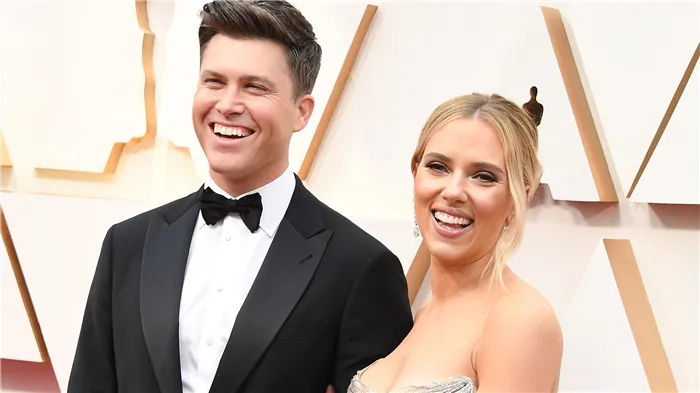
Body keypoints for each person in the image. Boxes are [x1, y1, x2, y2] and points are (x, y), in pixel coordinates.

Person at [67, 1, 413, 392]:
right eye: (213, 81)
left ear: (302, 112)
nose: (228, 105)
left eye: (254, 87)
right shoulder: (128, 245)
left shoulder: (360, 267)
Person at [347, 93, 563, 392]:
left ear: (519, 198)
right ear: (415, 173)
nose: (453, 191)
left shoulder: (520, 320)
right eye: (438, 167)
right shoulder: (424, 312)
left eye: (484, 176)